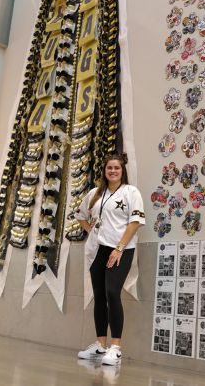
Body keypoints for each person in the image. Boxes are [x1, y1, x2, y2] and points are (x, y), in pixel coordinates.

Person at [75, 154, 146, 366]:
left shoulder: (130, 192)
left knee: (112, 292)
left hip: (121, 250)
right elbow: (80, 215)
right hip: (98, 250)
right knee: (99, 295)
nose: (113, 171)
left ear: (122, 171)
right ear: (104, 171)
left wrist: (119, 248)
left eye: (116, 168)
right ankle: (99, 345)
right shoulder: (95, 194)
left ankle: (116, 347)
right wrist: (92, 231)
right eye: (109, 168)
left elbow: (135, 222)